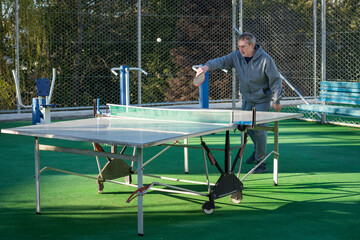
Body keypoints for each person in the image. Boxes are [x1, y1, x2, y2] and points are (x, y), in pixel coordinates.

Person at [195, 32, 282, 173]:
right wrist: (206, 67)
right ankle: (257, 151)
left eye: (243, 46)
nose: (241, 49)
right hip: (247, 99)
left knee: (259, 130)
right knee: (246, 128)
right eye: (239, 46)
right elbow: (221, 61)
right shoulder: (236, 56)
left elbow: (275, 80)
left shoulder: (266, 60)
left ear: (252, 45)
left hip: (261, 100)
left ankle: (262, 162)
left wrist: (276, 99)